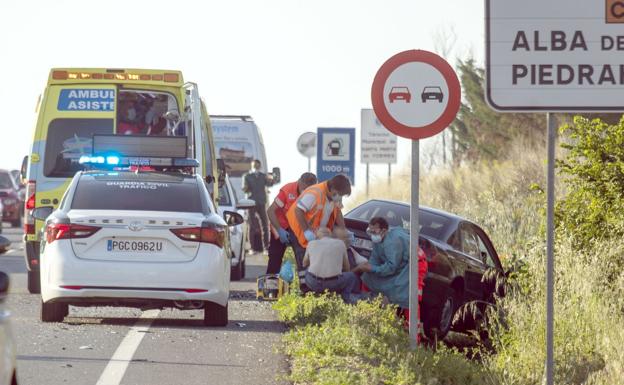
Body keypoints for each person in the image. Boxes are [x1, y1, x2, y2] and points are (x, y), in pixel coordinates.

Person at [352, 217, 427, 310]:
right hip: (400, 264)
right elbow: (375, 258)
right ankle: (364, 307)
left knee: (406, 295)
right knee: (368, 278)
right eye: (370, 232)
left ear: (383, 230)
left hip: (416, 264)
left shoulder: (393, 241)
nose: (372, 235)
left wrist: (372, 268)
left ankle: (411, 323)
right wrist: (369, 267)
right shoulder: (378, 240)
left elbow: (391, 267)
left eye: (374, 232)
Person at [286, 174, 351, 271]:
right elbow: (298, 210)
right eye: (340, 194)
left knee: (315, 265)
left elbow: (338, 213)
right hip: (299, 231)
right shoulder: (315, 193)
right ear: (333, 189)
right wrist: (306, 231)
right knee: (305, 265)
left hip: (316, 234)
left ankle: (311, 284)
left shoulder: (334, 196)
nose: (340, 197)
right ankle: (304, 284)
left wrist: (344, 230)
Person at [266, 172, 318, 274]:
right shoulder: (287, 190)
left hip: (298, 227)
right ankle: (271, 285)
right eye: (305, 189)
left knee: (302, 257)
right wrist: (279, 230)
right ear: (300, 182)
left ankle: (304, 286)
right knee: (275, 257)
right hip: (280, 225)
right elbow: (270, 211)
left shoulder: (315, 193)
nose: (306, 192)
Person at [302, 227, 359, 303]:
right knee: (351, 276)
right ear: (330, 234)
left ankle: (312, 296)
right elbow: (347, 268)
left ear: (316, 234)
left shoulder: (311, 243)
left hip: (314, 283)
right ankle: (345, 298)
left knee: (306, 271)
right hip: (333, 284)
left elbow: (304, 263)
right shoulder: (340, 243)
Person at [242, 159, 274, 251]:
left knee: (265, 225)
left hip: (261, 202)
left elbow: (269, 184)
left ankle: (266, 248)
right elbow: (244, 189)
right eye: (254, 165)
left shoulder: (263, 176)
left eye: (257, 165)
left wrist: (272, 178)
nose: (256, 166)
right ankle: (251, 248)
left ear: (259, 166)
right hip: (251, 202)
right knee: (251, 225)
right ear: (252, 165)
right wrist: (246, 187)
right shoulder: (247, 176)